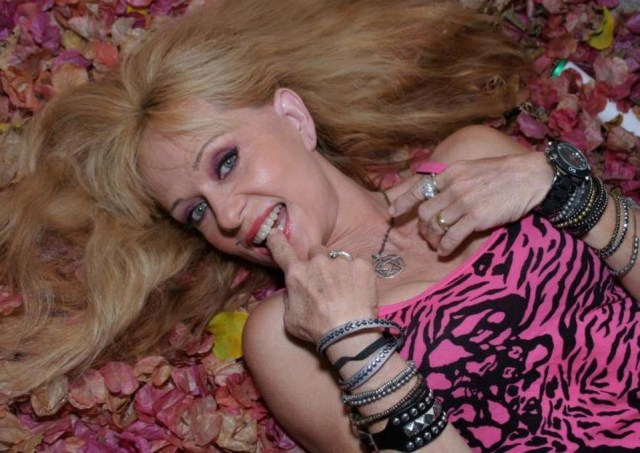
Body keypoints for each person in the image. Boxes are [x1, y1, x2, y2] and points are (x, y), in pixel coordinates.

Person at [0, 0, 638, 451]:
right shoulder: (286, 338)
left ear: (294, 119)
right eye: (195, 211)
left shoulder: (472, 159)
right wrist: (353, 343)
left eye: (225, 162)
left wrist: (570, 193)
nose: (226, 216)